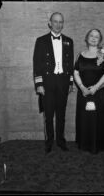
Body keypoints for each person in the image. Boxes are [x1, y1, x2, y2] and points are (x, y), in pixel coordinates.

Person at [33, 12, 74, 154]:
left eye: (61, 22)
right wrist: (39, 84)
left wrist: (70, 83)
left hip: (63, 82)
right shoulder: (41, 40)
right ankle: (49, 142)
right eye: (55, 21)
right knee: (48, 116)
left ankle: (61, 141)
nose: (58, 24)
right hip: (47, 83)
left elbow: (70, 65)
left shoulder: (69, 41)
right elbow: (37, 64)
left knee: (61, 115)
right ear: (50, 23)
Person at [74, 29, 104, 154]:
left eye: (97, 36)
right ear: (87, 38)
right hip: (84, 92)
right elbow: (76, 72)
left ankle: (100, 145)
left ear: (100, 40)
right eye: (91, 35)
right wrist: (82, 88)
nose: (94, 38)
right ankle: (84, 144)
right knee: (85, 119)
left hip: (100, 93)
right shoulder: (79, 55)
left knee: (99, 119)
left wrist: (96, 87)